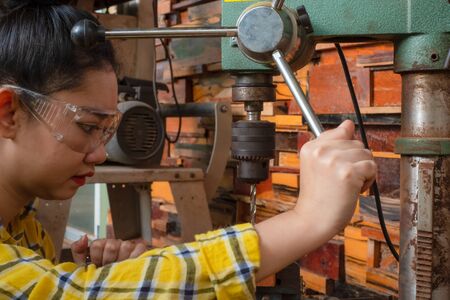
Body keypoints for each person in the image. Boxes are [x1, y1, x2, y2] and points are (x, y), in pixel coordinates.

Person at [0, 1, 377, 299]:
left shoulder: (24, 227)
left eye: (107, 130)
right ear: (8, 113)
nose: (99, 155)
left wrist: (92, 275)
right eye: (86, 126)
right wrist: (306, 220)